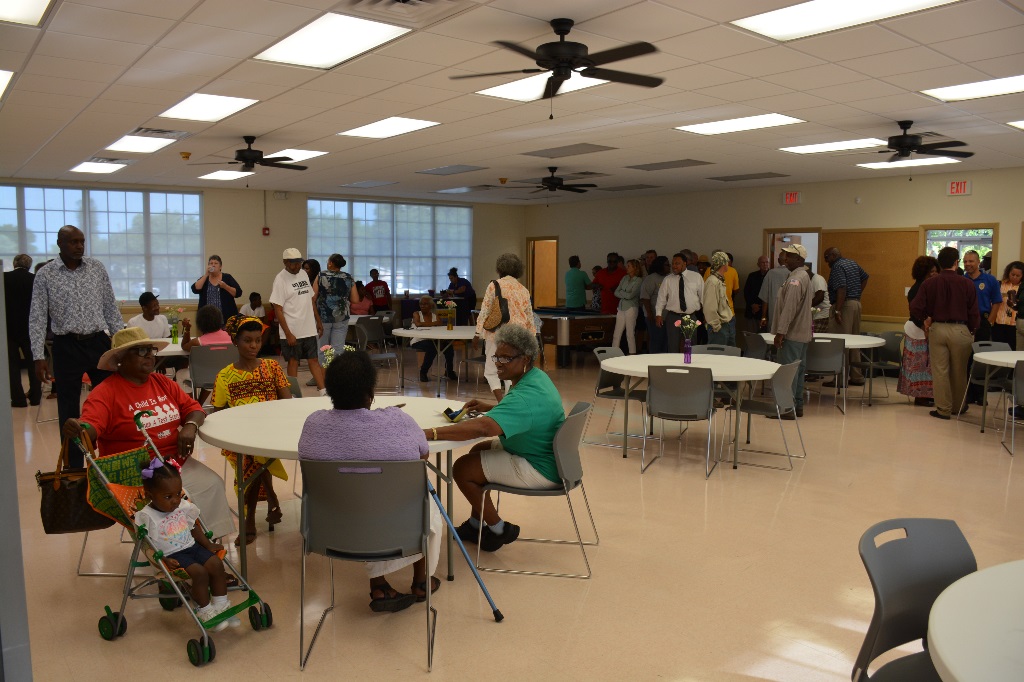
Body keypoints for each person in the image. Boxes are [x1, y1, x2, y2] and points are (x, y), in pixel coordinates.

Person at [299, 350, 443, 612]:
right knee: (419, 499)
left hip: (333, 528)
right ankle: (421, 580)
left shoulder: (313, 425)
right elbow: (423, 454)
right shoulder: (398, 420)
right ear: (371, 392)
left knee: (361, 495)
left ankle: (379, 585)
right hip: (399, 525)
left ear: (329, 390)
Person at [62, 327, 235, 538]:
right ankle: (176, 558)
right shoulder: (106, 392)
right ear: (120, 359)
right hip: (137, 473)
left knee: (212, 484)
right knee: (180, 499)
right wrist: (80, 428)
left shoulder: (162, 383)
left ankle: (208, 545)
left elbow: (194, 409)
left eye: (150, 350)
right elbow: (90, 427)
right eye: (141, 351)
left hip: (173, 465)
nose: (150, 356)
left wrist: (190, 426)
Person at [423, 324, 563, 552]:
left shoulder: (525, 396)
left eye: (506, 358)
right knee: (478, 452)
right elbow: (521, 413)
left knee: (462, 469)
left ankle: (498, 529)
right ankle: (475, 524)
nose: (498, 363)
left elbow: (484, 428)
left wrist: (430, 433)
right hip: (544, 453)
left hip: (540, 467)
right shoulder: (536, 378)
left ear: (525, 358)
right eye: (497, 356)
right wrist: (492, 407)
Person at [30, 225, 124, 466]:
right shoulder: (46, 274)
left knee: (110, 401)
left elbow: (110, 308)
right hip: (66, 346)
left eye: (82, 241)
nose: (79, 246)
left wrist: (125, 344)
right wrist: (37, 355)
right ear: (60, 243)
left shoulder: (96, 268)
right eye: (73, 242)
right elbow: (38, 316)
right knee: (69, 409)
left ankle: (111, 458)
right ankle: (74, 468)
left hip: (97, 343)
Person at [212, 316, 291, 545]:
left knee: (254, 456)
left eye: (258, 340)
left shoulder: (272, 367)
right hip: (240, 435)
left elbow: (287, 402)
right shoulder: (225, 375)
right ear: (235, 342)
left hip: (273, 431)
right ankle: (271, 498)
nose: (254, 346)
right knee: (251, 454)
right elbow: (218, 414)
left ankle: (250, 520)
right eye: (247, 341)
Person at [135, 459, 237, 630]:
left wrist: (207, 544)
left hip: (193, 547)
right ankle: (204, 610)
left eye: (177, 494)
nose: (175, 500)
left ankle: (221, 605)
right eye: (168, 497)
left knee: (216, 564)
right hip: (173, 555)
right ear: (150, 496)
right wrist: (163, 560)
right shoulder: (147, 516)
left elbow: (192, 528)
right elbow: (148, 545)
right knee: (200, 573)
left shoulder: (181, 506)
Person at [909, 247, 979, 420]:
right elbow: (973, 312)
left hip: (938, 328)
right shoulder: (967, 283)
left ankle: (943, 409)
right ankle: (958, 406)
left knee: (940, 371)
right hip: (960, 329)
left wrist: (926, 318)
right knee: (960, 371)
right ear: (957, 262)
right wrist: (972, 330)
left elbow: (915, 307)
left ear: (940, 263)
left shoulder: (929, 283)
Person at [476, 253, 535, 401]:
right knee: (511, 370)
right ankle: (509, 400)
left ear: (500, 268)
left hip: (497, 334)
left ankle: (501, 402)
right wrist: (531, 339)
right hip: (518, 336)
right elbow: (529, 317)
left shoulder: (494, 285)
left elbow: (485, 311)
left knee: (491, 371)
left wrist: (477, 333)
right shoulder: (523, 289)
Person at [270, 248, 325, 394]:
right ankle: (293, 393)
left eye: (298, 263)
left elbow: (310, 300)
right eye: (292, 263)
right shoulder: (280, 280)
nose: (296, 266)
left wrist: (318, 321)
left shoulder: (303, 274)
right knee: (293, 361)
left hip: (308, 328)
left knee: (314, 360)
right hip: (292, 330)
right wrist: (288, 333)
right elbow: (278, 309)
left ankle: (323, 391)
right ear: (285, 262)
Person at [769, 244, 814, 420]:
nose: (784, 259)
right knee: (798, 371)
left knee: (788, 373)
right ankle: (797, 406)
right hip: (801, 334)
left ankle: (786, 408)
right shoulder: (801, 276)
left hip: (792, 334)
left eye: (788, 256)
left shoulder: (796, 280)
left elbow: (789, 308)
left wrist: (781, 333)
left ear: (799, 259)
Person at [824, 246, 869, 387]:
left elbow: (841, 288)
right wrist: (856, 294)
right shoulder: (852, 263)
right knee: (853, 342)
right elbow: (865, 277)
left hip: (844, 306)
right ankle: (857, 376)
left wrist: (838, 310)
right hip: (855, 304)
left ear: (832, 256)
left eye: (827, 258)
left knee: (840, 343)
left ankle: (840, 378)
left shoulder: (837, 266)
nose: (827, 262)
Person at [898, 256, 940, 406]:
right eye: (931, 272)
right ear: (923, 273)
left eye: (936, 271)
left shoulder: (931, 286)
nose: (934, 274)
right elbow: (916, 313)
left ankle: (927, 395)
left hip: (926, 330)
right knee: (919, 366)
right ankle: (920, 396)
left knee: (926, 367)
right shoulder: (917, 288)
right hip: (917, 331)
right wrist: (926, 327)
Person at [6, 254, 41, 408]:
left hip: (9, 328)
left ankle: (18, 399)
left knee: (12, 365)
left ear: (14, 264)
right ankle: (35, 397)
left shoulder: (4, 278)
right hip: (31, 328)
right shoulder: (35, 280)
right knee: (34, 363)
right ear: (29, 265)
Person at [316, 254, 359, 369]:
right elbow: (355, 299)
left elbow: (313, 297)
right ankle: (336, 376)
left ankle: (322, 377)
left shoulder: (321, 275)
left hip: (323, 316)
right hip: (341, 316)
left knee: (322, 348)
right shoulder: (348, 277)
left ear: (330, 263)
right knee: (338, 349)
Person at [655, 252, 703, 353]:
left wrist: (707, 315)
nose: (674, 266)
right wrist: (658, 314)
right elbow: (661, 298)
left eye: (677, 263)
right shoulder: (668, 279)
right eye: (673, 263)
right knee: (672, 346)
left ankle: (690, 366)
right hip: (673, 316)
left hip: (690, 316)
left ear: (685, 264)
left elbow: (703, 297)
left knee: (690, 347)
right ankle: (673, 367)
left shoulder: (696, 277)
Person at [411, 296, 457, 382]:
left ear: (431, 306)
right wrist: (433, 323)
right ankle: (423, 372)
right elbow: (418, 324)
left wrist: (425, 323)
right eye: (421, 304)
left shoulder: (435, 316)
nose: (423, 306)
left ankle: (449, 371)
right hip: (418, 340)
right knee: (432, 348)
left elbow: (439, 323)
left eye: (425, 304)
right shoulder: (416, 314)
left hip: (434, 339)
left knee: (449, 347)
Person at [191, 255, 241, 320]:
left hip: (225, 316)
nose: (213, 265)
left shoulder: (227, 277)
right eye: (211, 263)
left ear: (220, 267)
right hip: (207, 317)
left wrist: (225, 286)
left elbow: (238, 293)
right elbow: (195, 289)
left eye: (216, 263)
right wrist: (206, 274)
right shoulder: (205, 278)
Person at [611, 259, 642, 354]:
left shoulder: (639, 280)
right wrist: (624, 293)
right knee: (617, 333)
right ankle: (613, 354)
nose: (626, 268)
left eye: (629, 266)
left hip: (631, 308)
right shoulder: (624, 278)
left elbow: (631, 295)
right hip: (621, 307)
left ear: (635, 268)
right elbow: (616, 292)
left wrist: (622, 293)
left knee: (630, 333)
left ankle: (632, 354)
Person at [703, 252, 735, 346]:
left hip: (726, 324)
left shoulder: (719, 280)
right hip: (719, 327)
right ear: (723, 263)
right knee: (717, 357)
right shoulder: (713, 281)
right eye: (727, 261)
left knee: (729, 355)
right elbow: (709, 308)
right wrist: (717, 327)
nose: (728, 264)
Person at [991, 261, 1024, 350]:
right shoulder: (1000, 284)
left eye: (1018, 276)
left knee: (1012, 350)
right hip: (999, 322)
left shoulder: (1022, 287)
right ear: (1008, 272)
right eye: (1012, 274)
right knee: (998, 349)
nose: (1014, 277)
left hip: (1014, 325)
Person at [640, 256, 669, 354]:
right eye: (666, 264)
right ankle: (654, 362)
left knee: (665, 341)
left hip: (667, 317)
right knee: (656, 340)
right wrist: (650, 314)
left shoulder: (669, 277)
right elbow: (645, 298)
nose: (669, 266)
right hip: (654, 316)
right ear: (660, 265)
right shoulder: (651, 279)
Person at [758, 251, 790, 333]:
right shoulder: (794, 273)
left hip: (774, 315)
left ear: (778, 260)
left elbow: (765, 298)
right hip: (790, 315)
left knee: (773, 340)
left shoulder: (771, 273)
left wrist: (764, 317)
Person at [743, 255, 770, 336]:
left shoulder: (772, 276)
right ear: (758, 264)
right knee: (752, 337)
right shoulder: (752, 276)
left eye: (767, 262)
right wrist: (752, 305)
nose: (765, 264)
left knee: (765, 338)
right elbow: (746, 292)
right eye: (763, 262)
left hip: (767, 313)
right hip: (752, 312)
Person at [806, 263, 830, 333]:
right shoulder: (809, 281)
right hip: (816, 313)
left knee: (815, 337)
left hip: (822, 315)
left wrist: (805, 307)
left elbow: (820, 297)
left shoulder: (818, 279)